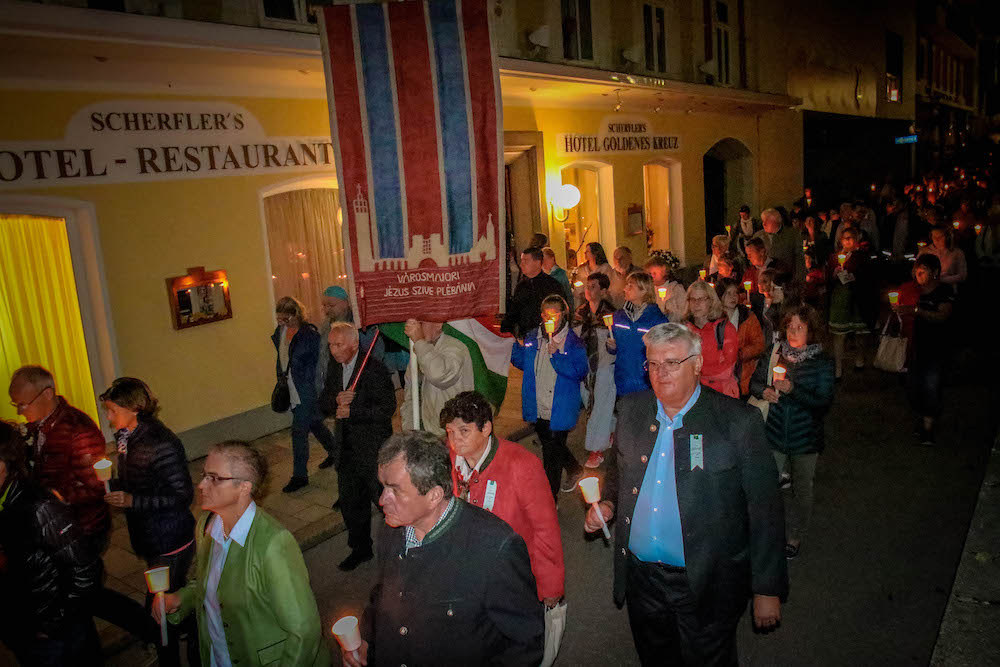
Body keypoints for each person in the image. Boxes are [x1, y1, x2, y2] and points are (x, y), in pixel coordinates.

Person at [585, 323, 786, 666]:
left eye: (672, 362)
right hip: (642, 579)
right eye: (653, 363)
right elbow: (619, 472)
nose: (661, 372)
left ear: (697, 364)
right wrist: (607, 503)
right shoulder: (632, 410)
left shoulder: (737, 421)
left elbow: (765, 508)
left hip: (705, 580)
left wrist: (766, 587)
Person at [344, 431, 544, 667]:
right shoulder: (391, 527)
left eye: (395, 490)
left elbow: (525, 644)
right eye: (383, 487)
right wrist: (368, 638)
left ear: (434, 496)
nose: (381, 500)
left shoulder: (495, 548)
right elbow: (382, 593)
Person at [155, 441, 328, 666]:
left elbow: (304, 631)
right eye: (204, 475)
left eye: (214, 478)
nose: (201, 485)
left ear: (244, 487)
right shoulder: (206, 526)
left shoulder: (273, 544)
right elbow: (208, 582)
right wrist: (181, 598)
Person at [99, 377, 199, 666]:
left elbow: (182, 494)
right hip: (151, 535)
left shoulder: (160, 443)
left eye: (112, 411)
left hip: (170, 540)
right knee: (171, 602)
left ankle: (171, 656)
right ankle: (195, 634)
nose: (108, 418)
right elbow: (138, 480)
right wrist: (112, 485)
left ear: (134, 408)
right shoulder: (126, 437)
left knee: (158, 612)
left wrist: (132, 501)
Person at [441, 391, 564, 607]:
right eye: (450, 432)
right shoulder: (449, 461)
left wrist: (550, 586)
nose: (455, 440)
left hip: (512, 577)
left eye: (464, 431)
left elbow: (545, 530)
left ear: (486, 428)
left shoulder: (523, 465)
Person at [0, 422, 103, 666]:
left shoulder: (40, 507)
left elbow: (85, 570)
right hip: (21, 626)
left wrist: (53, 624)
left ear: (8, 462)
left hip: (54, 638)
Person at [748, 305, 835, 559]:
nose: (794, 332)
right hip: (773, 432)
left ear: (811, 330)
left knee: (802, 489)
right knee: (765, 486)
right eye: (790, 327)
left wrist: (792, 389)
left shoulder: (822, 361)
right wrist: (763, 391)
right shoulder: (775, 354)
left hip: (805, 438)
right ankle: (766, 532)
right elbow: (754, 382)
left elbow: (823, 402)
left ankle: (795, 535)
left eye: (800, 327)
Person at [319, 322, 396, 570]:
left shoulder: (374, 369)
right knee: (351, 504)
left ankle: (399, 549)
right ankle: (361, 548)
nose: (333, 350)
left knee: (384, 502)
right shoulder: (335, 368)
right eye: (331, 344)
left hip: (372, 449)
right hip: (346, 450)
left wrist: (354, 410)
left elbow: (386, 409)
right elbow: (324, 403)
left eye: (338, 344)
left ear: (354, 344)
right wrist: (336, 401)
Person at [8, 365, 109, 548]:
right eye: (15, 404)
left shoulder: (78, 431)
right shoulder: (36, 426)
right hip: (56, 525)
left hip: (81, 528)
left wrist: (49, 496)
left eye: (23, 404)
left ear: (47, 394)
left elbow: (96, 487)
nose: (19, 411)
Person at [511, 295, 587, 498]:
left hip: (559, 407)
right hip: (538, 405)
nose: (548, 319)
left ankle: (549, 500)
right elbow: (523, 363)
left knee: (551, 458)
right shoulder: (533, 336)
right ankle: (573, 468)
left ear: (563, 315)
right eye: (545, 314)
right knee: (551, 446)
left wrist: (558, 356)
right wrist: (515, 347)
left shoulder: (573, 343)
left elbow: (579, 371)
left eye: (554, 314)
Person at [316, 286, 383, 469]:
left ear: (345, 303)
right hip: (339, 384)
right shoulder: (326, 327)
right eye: (324, 305)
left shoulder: (361, 324)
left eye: (331, 304)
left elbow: (373, 354)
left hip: (360, 391)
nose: (327, 309)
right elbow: (323, 358)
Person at [271, 296, 332, 493]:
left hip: (306, 389)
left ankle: (300, 475)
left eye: (286, 319)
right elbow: (282, 357)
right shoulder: (280, 333)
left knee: (299, 430)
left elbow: (318, 363)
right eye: (280, 319)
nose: (283, 323)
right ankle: (336, 451)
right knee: (314, 422)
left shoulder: (309, 335)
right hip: (290, 386)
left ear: (296, 315)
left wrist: (317, 388)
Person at [893, 254, 954, 446]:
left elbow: (943, 315)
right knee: (915, 386)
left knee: (931, 386)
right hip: (918, 347)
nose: (918, 275)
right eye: (916, 271)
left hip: (936, 348)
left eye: (923, 271)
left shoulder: (943, 291)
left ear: (935, 273)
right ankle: (922, 421)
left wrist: (917, 312)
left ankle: (929, 430)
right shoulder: (915, 291)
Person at [400, 319, 474, 436]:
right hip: (423, 430)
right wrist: (409, 428)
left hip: (449, 432)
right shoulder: (419, 351)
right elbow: (411, 394)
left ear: (438, 324)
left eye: (420, 323)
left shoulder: (455, 348)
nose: (415, 328)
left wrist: (419, 342)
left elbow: (439, 375)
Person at [574, 272, 617, 468]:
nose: (588, 290)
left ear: (603, 290)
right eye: (587, 286)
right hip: (586, 366)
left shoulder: (611, 314)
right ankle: (610, 430)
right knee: (590, 402)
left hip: (605, 364)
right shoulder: (580, 312)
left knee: (600, 407)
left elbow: (615, 340)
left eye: (593, 286)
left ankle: (595, 449)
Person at [608, 271, 670, 399]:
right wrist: (612, 347)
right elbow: (614, 347)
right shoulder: (619, 317)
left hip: (647, 382)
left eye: (630, 286)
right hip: (623, 381)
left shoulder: (656, 319)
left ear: (643, 291)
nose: (625, 289)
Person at [827, 228, 872, 378]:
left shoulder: (863, 257)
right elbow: (828, 280)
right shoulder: (834, 257)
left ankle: (859, 359)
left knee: (860, 333)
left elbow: (869, 277)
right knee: (839, 335)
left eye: (851, 238)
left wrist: (855, 276)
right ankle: (838, 368)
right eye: (845, 238)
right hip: (840, 299)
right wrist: (834, 274)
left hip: (857, 299)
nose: (847, 241)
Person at [684, 281, 739, 398]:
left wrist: (695, 370)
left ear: (711, 301)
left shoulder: (725, 329)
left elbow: (726, 371)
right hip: (693, 393)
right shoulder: (685, 329)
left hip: (721, 394)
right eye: (692, 299)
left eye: (701, 299)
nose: (696, 304)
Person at [501, 247, 566, 340]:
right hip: (525, 336)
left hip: (547, 337)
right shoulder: (521, 286)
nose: (521, 265)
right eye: (521, 261)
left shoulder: (552, 286)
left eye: (525, 261)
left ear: (538, 262)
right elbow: (514, 312)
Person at [717, 278, 765, 397]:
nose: (733, 297)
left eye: (735, 293)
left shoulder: (747, 317)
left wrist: (740, 354)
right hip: (720, 377)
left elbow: (759, 344)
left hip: (743, 375)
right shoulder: (714, 319)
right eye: (728, 293)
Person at [755, 207, 805, 281]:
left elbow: (799, 258)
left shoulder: (792, 235)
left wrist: (799, 278)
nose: (764, 224)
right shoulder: (758, 236)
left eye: (767, 221)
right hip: (765, 277)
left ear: (775, 222)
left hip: (787, 277)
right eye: (763, 221)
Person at [573, 242, 623, 308]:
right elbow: (578, 284)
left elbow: (609, 286)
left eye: (587, 251)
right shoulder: (582, 269)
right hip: (584, 302)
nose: (585, 253)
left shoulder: (605, 268)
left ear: (595, 254)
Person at [644, 256, 686, 322]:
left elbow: (684, 311)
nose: (652, 276)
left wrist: (671, 314)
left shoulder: (676, 289)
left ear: (664, 270)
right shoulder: (648, 290)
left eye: (654, 273)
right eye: (650, 274)